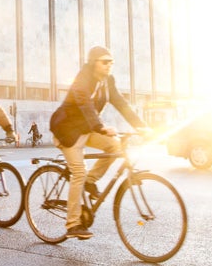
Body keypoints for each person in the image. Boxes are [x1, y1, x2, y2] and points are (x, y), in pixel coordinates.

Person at [50, 46, 149, 240]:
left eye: (111, 62)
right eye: (105, 61)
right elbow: (85, 104)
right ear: (93, 62)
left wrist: (142, 126)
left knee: (114, 146)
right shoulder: (82, 79)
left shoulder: (108, 81)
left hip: (87, 129)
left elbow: (121, 104)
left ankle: (90, 180)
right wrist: (101, 126)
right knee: (78, 171)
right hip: (67, 131)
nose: (109, 65)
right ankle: (73, 224)